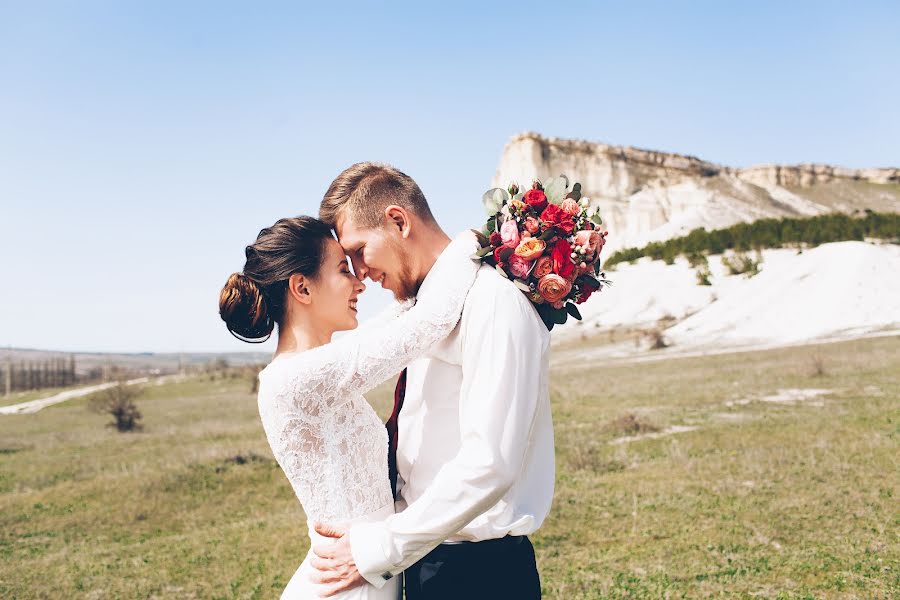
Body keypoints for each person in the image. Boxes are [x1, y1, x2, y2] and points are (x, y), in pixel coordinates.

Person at [311, 163, 554, 599]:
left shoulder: (493, 303)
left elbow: (491, 462)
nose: (360, 274)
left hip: (480, 575)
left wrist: (379, 547)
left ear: (398, 221)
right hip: (425, 562)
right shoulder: (423, 314)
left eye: (360, 251)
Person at [219, 215, 479, 599]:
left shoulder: (319, 364)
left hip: (365, 569)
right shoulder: (297, 378)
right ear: (302, 287)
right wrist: (478, 242)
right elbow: (427, 322)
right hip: (348, 584)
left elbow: (403, 314)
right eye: (344, 270)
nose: (360, 283)